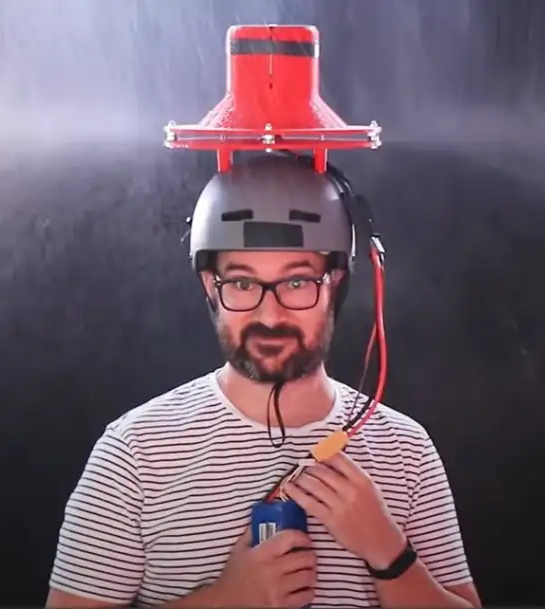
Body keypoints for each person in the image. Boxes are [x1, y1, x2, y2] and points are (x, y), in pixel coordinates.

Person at [45, 154, 481, 608]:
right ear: (209, 286)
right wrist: (228, 599)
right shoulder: (136, 451)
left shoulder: (405, 449)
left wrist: (388, 552)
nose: (269, 316)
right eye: (242, 284)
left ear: (336, 284)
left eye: (296, 283)